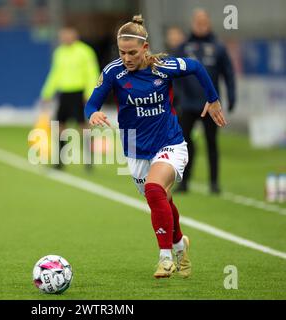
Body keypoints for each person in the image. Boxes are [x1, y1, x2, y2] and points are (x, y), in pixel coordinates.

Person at [84, 15, 226, 278]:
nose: (127, 57)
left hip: (170, 142)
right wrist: (92, 114)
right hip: (136, 149)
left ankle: (165, 258)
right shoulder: (113, 72)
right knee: (160, 198)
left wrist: (213, 99)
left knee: (153, 188)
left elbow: (195, 66)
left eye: (133, 52)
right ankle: (179, 243)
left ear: (145, 48)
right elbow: (91, 104)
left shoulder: (162, 67)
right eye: (122, 52)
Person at [174, 9, 236, 194]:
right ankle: (184, 182)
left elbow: (229, 73)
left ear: (208, 23)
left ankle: (214, 183)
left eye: (204, 22)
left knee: (212, 143)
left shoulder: (218, 47)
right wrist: (177, 96)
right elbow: (173, 73)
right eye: (198, 22)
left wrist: (232, 96)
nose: (201, 25)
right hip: (187, 104)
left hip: (210, 105)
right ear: (193, 23)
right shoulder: (183, 47)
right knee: (184, 144)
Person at [40, 26, 100, 170]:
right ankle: (59, 161)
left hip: (79, 93)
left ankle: (88, 160)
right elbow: (55, 74)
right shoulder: (59, 52)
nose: (64, 38)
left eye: (67, 35)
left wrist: (90, 94)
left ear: (75, 36)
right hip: (64, 94)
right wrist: (47, 93)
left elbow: (92, 73)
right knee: (59, 126)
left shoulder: (85, 52)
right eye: (63, 36)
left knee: (83, 127)